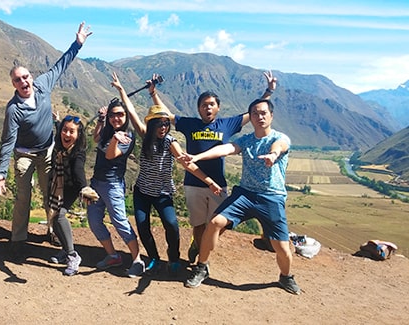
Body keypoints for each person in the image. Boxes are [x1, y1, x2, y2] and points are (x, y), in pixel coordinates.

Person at [0, 22, 92, 260]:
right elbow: (8, 141)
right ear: (13, 85)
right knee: (23, 197)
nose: (23, 82)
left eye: (25, 77)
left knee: (51, 195)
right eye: (18, 80)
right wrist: (2, 173)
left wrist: (77, 44)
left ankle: (53, 231)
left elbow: (61, 66)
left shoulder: (43, 85)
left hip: (48, 151)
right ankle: (18, 239)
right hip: (25, 154)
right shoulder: (13, 109)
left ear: (31, 77)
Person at [180, 98, 301, 295]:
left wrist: (273, 155)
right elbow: (226, 149)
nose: (259, 116)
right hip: (245, 194)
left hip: (271, 197)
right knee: (215, 223)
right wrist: (197, 157)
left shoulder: (281, 138)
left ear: (271, 115)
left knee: (281, 246)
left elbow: (280, 146)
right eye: (255, 113)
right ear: (250, 117)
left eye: (263, 113)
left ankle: (286, 277)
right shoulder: (246, 140)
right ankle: (202, 267)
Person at [155, 71, 276, 264]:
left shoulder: (227, 124)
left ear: (218, 107)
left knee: (218, 225)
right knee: (198, 223)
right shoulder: (189, 124)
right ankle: (200, 251)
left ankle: (203, 249)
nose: (207, 107)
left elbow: (254, 111)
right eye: (203, 105)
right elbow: (166, 115)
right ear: (199, 109)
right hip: (193, 183)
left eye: (211, 104)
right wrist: (153, 94)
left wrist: (268, 91)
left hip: (218, 184)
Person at [110, 72, 221, 277]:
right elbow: (131, 111)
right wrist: (121, 90)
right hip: (142, 191)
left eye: (165, 123)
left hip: (163, 193)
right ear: (151, 124)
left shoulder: (171, 142)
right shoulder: (144, 136)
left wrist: (209, 181)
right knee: (143, 226)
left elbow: (188, 165)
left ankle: (173, 257)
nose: (163, 127)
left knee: (172, 225)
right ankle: (152, 257)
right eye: (159, 123)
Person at [87, 98, 145, 278]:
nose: (116, 118)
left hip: (113, 185)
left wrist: (114, 138)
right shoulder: (109, 130)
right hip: (96, 183)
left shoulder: (127, 136)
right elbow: (96, 138)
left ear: (126, 116)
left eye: (120, 114)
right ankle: (113, 255)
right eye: (112, 115)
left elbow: (112, 155)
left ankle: (137, 260)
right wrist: (100, 121)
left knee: (120, 221)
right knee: (94, 221)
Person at [46, 114, 96, 276]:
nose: (67, 134)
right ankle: (65, 249)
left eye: (72, 132)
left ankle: (72, 255)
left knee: (59, 215)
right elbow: (60, 127)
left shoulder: (78, 152)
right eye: (64, 130)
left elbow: (78, 171)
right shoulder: (60, 145)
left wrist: (84, 189)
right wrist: (57, 122)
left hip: (73, 188)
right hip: (59, 185)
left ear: (78, 134)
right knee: (53, 217)